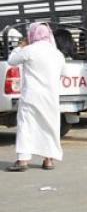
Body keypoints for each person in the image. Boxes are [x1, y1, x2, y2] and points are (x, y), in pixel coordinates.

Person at [5, 23, 65, 172]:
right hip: (50, 96)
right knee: (49, 126)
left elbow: (11, 61)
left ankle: (23, 160)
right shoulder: (57, 53)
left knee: (26, 126)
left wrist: (20, 46)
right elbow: (62, 73)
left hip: (32, 96)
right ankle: (48, 160)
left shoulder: (29, 50)